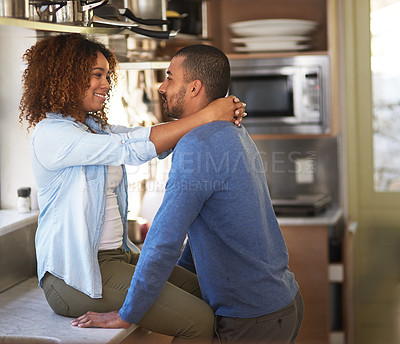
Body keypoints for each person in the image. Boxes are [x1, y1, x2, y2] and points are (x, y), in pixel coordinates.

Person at [19, 34, 246, 343]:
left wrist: (217, 115)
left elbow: (154, 142)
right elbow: (131, 147)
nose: (106, 84)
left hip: (119, 258)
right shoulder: (50, 135)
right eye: (96, 75)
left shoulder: (95, 129)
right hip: (76, 277)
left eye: (106, 76)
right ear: (66, 76)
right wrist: (209, 114)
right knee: (199, 321)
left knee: (209, 291)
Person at [72, 45, 304, 343]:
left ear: (194, 88)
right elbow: (206, 227)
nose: (161, 86)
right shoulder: (231, 131)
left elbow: (163, 239)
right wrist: (178, 285)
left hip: (249, 318)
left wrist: (128, 313)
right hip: (279, 303)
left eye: (170, 77)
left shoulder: (199, 144)